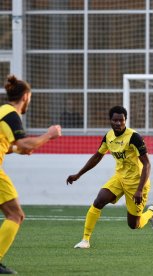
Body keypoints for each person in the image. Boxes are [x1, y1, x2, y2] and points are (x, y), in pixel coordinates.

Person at [67, 105, 153, 249]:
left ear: (125, 120)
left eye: (121, 120)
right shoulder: (108, 136)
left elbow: (147, 164)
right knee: (99, 201)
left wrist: (140, 190)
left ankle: (151, 213)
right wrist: (78, 174)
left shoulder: (134, 137)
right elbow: (97, 156)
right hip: (119, 178)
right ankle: (85, 240)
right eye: (115, 120)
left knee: (134, 225)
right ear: (110, 120)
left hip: (137, 183)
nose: (118, 123)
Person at [0, 75, 62, 274]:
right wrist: (49, 134)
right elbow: (25, 143)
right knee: (15, 215)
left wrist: (17, 149)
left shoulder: (2, 111)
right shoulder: (11, 114)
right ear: (26, 96)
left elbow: (9, 145)